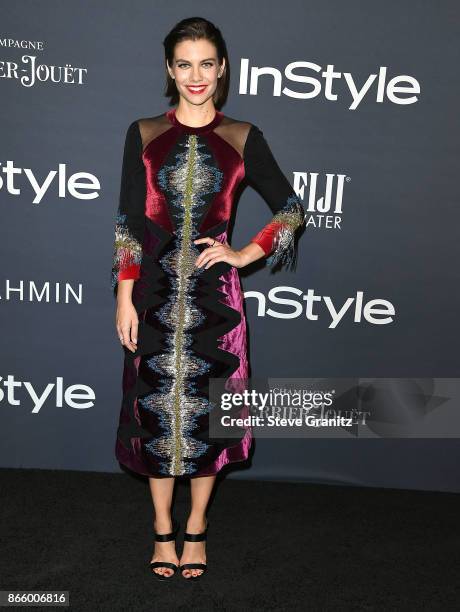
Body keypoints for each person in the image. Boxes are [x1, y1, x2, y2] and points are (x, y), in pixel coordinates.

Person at [111, 16, 306, 581]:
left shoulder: (243, 136)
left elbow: (292, 208)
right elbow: (128, 221)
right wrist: (124, 297)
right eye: (184, 64)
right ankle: (162, 530)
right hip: (150, 296)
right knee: (152, 415)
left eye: (207, 63)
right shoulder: (143, 132)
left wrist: (245, 254)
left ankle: (195, 529)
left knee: (212, 418)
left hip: (217, 303)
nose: (196, 75)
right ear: (170, 70)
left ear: (222, 68)